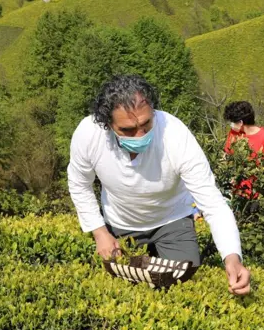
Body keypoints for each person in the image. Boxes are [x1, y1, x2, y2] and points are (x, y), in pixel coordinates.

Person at [67, 74, 251, 296]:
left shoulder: (175, 135)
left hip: (171, 219)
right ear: (107, 123)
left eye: (146, 124)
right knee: (124, 290)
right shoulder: (89, 134)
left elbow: (213, 204)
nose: (140, 135)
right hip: (121, 222)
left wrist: (232, 257)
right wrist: (100, 232)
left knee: (184, 281)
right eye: (127, 130)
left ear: (153, 111)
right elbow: (79, 184)